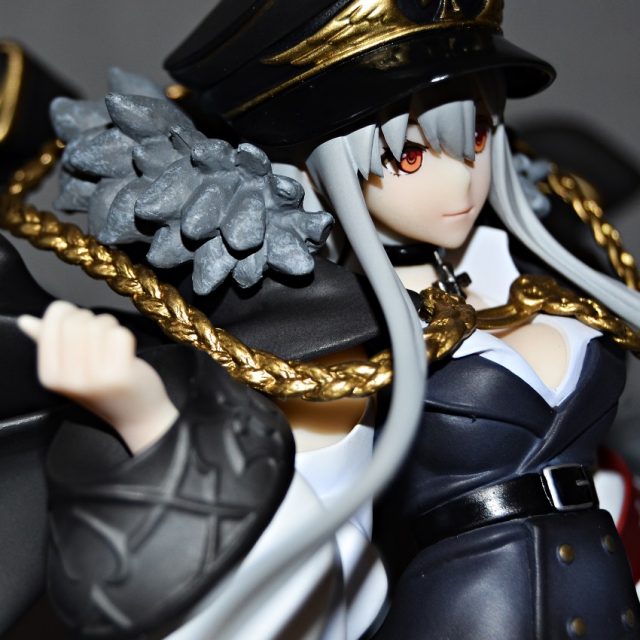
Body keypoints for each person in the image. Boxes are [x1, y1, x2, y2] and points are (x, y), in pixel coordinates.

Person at [11, 0, 640, 638]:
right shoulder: (331, 332)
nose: (462, 183)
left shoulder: (533, 265)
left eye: (475, 138)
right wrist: (147, 417)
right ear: (318, 161)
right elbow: (311, 540)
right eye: (410, 157)